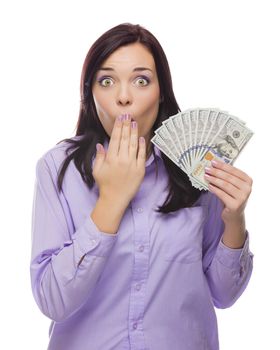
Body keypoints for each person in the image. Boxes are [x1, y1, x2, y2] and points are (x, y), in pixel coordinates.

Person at [30, 23, 254, 350]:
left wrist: (234, 220)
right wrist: (112, 200)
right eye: (107, 81)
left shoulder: (195, 171)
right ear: (90, 92)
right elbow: (52, 301)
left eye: (141, 80)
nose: (124, 97)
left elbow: (224, 295)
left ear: (161, 91)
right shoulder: (57, 169)